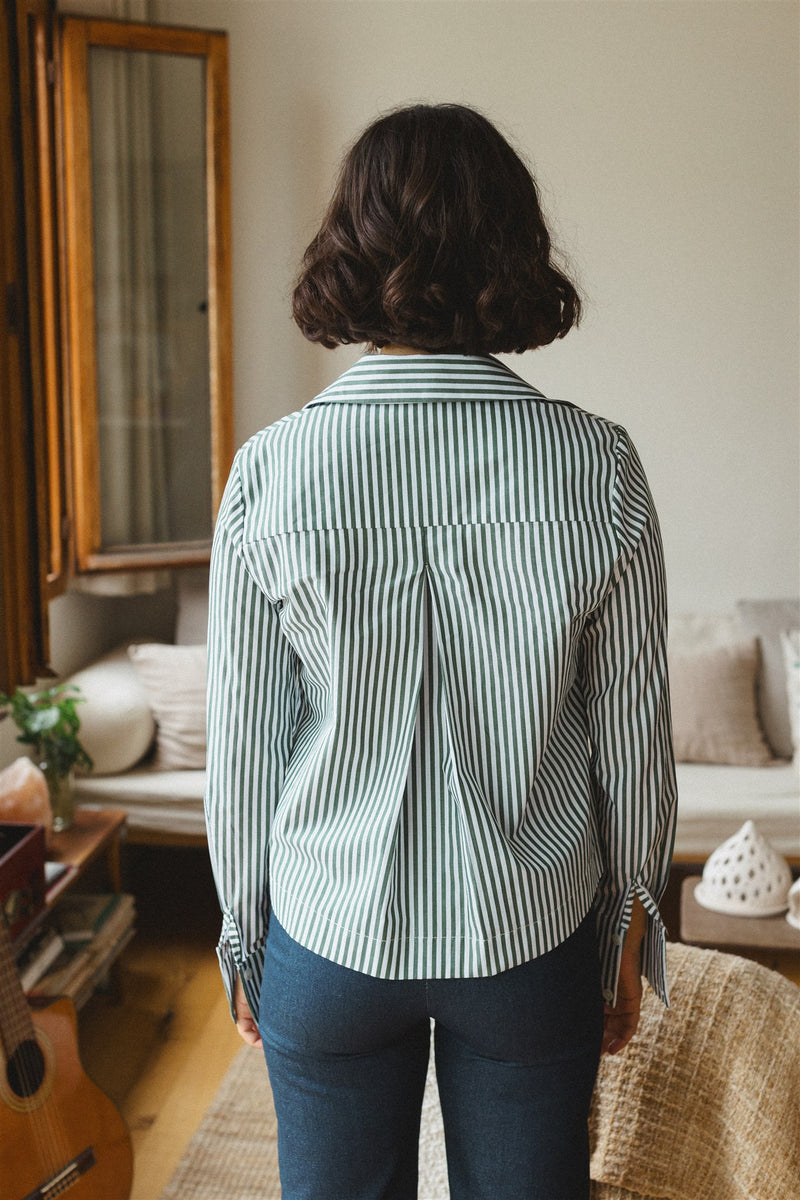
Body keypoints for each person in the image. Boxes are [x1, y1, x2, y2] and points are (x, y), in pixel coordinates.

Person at [205, 103, 677, 1200]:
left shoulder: (269, 472)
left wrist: (241, 933)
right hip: (529, 937)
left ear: (348, 250)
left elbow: (244, 747)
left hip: (329, 934)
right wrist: (629, 927)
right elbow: (634, 742)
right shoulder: (594, 468)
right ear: (512, 249)